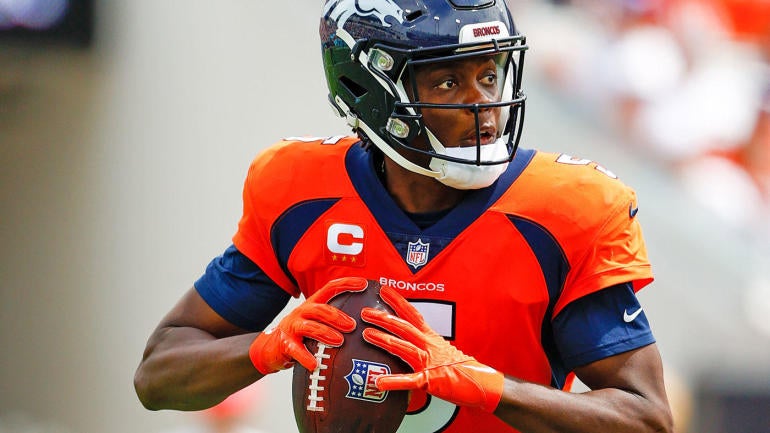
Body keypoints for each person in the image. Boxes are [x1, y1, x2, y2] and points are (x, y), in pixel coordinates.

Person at [134, 1, 674, 432]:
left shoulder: (564, 211)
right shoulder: (300, 195)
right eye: (448, 82)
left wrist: (485, 385)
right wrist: (267, 347)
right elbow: (157, 376)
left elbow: (646, 418)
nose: (484, 107)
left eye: (489, 75)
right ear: (370, 90)